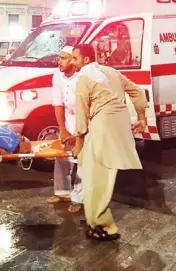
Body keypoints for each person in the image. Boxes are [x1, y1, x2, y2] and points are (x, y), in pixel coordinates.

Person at [71, 44, 147, 241]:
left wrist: (78, 142)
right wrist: (141, 117)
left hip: (103, 126)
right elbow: (137, 91)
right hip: (120, 123)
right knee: (98, 171)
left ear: (86, 59)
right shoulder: (112, 72)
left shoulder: (83, 78)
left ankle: (103, 225)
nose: (72, 62)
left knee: (96, 175)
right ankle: (95, 215)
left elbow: (81, 112)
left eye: (75, 58)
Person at [47, 46, 83, 213]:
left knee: (82, 160)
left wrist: (79, 133)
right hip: (68, 120)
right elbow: (58, 103)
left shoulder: (83, 77)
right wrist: (63, 129)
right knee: (61, 156)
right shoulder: (57, 76)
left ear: (73, 61)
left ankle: (78, 199)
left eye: (63, 58)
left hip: (84, 121)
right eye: (58, 57)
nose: (59, 61)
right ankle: (62, 192)